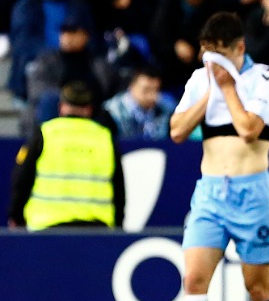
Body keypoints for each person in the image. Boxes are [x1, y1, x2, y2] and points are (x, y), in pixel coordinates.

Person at [156, 12, 269, 301]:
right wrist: (211, 90)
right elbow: (177, 131)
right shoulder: (200, 80)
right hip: (210, 193)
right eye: (206, 52)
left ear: (238, 48)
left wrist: (227, 87)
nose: (210, 60)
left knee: (258, 289)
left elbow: (249, 130)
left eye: (219, 53)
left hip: (253, 194)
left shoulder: (263, 78)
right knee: (194, 279)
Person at [8, 82, 124, 231]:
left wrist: (15, 215)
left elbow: (22, 178)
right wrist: (118, 226)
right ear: (89, 109)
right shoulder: (105, 138)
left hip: (47, 226)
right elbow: (118, 187)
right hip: (97, 229)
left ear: (61, 107)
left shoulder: (45, 133)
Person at [104, 67, 175, 141]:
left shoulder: (165, 109)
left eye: (155, 90)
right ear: (132, 87)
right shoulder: (111, 112)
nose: (151, 96)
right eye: (146, 90)